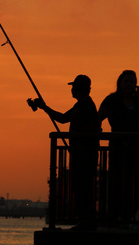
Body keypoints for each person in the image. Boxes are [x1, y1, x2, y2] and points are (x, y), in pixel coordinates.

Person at [30, 74, 102, 229]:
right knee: (79, 187)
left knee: (84, 188)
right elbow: (62, 118)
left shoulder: (88, 106)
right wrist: (44, 107)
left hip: (85, 155)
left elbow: (90, 130)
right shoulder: (80, 105)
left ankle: (86, 222)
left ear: (79, 89)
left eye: (73, 87)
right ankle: (83, 221)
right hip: (78, 154)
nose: (71, 90)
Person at [98, 70, 139, 223]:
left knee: (138, 183)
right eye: (126, 81)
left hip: (138, 148)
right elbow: (98, 117)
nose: (129, 85)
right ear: (120, 84)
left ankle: (135, 215)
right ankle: (116, 215)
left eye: (132, 82)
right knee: (118, 182)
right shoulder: (112, 100)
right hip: (119, 147)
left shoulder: (136, 100)